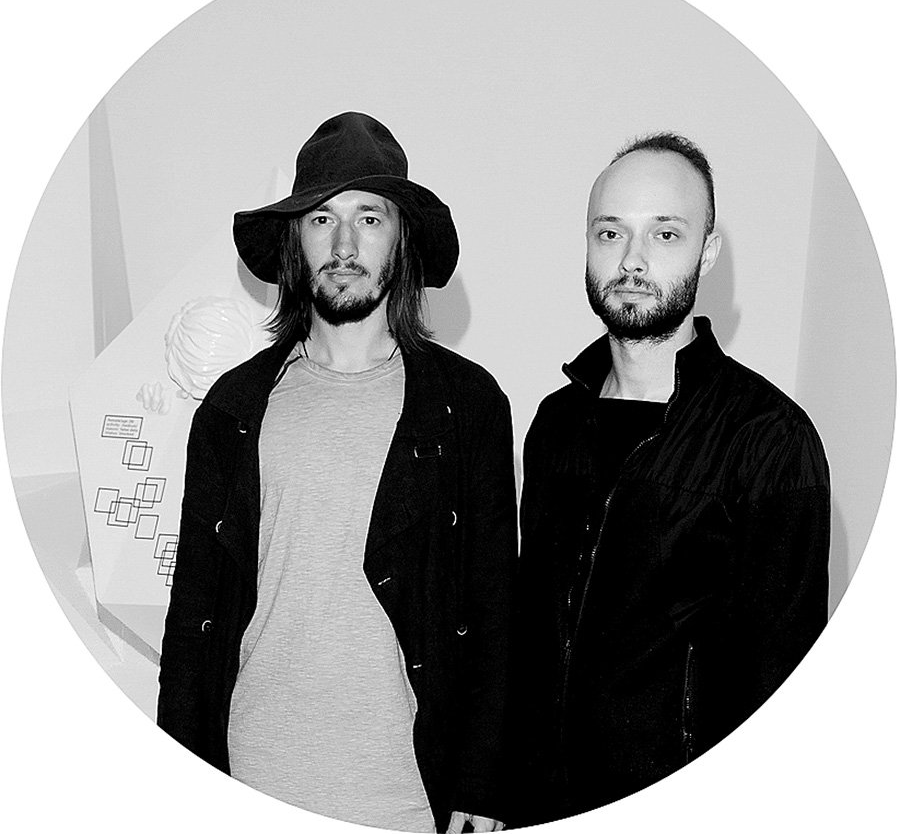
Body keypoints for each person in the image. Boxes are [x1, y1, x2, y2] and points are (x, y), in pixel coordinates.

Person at [157, 112, 516, 833]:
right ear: (295, 241)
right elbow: (192, 622)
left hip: (408, 797)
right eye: (322, 219)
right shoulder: (231, 409)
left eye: (369, 218)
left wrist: (485, 785)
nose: (345, 244)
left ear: (401, 240)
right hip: (251, 780)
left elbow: (496, 611)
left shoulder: (467, 407)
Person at [513, 133, 830, 822]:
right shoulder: (554, 424)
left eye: (664, 233)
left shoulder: (770, 438)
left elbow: (780, 684)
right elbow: (529, 636)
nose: (632, 259)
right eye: (610, 233)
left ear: (706, 252)